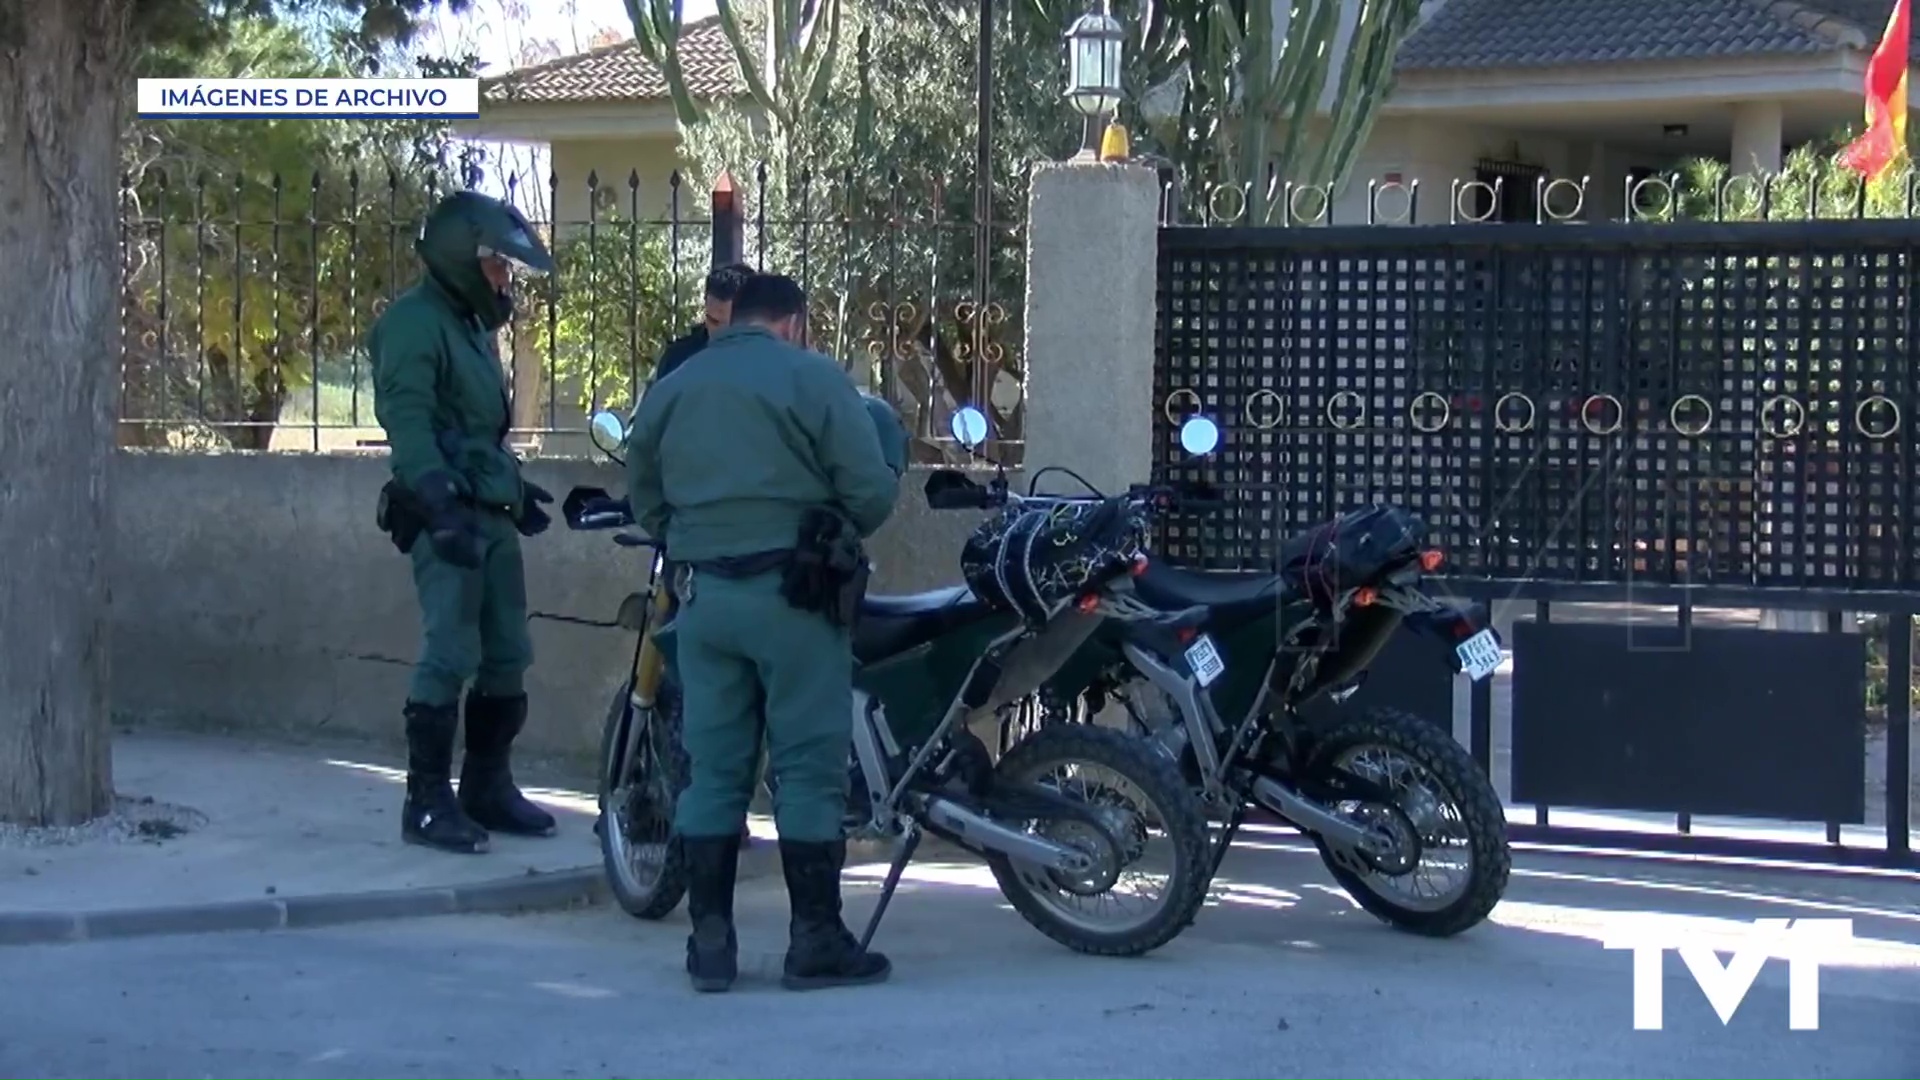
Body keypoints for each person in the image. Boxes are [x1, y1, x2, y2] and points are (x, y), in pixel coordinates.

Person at [626, 272, 902, 993]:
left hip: (706, 600)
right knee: (807, 769)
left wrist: (693, 535)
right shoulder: (813, 378)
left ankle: (710, 947)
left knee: (714, 770)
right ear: (793, 323)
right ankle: (814, 942)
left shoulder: (676, 386)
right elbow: (870, 492)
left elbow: (644, 494)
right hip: (796, 601)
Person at [370, 190, 561, 856]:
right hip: (446, 511)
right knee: (450, 650)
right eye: (496, 266)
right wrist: (439, 502)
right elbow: (411, 422)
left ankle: (487, 785)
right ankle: (424, 801)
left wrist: (512, 488)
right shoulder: (414, 324)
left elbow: (479, 430)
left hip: (488, 511)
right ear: (460, 259)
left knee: (508, 653)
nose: (506, 279)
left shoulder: (470, 327)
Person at [649, 262, 755, 389]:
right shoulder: (677, 360)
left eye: (731, 325)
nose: (721, 334)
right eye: (713, 321)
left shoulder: (768, 364)